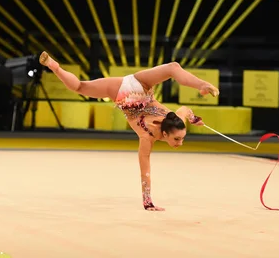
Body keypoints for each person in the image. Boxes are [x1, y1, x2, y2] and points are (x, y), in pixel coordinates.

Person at [39, 51, 220, 211]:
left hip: (138, 85)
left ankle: (53, 65)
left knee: (173, 67)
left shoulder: (175, 121)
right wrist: (147, 201)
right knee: (79, 87)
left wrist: (193, 118)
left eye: (181, 139)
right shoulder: (147, 136)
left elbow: (185, 110)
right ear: (165, 134)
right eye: (178, 139)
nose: (180, 143)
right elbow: (145, 170)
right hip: (124, 94)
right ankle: (53, 66)